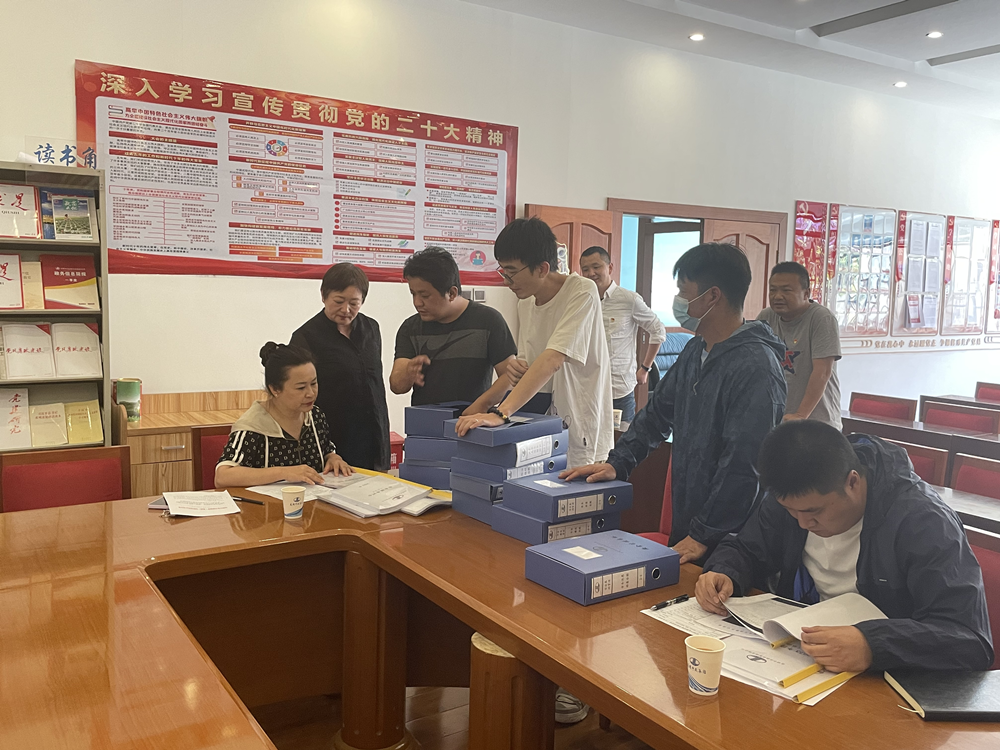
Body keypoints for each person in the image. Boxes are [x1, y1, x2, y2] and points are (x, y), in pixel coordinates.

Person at [696, 421, 993, 673]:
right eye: (791, 512)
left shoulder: (923, 522)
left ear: (852, 482)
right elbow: (747, 548)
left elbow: (969, 639)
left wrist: (872, 645)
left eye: (814, 512)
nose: (803, 523)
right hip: (804, 657)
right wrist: (725, 572)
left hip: (887, 677)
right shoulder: (792, 499)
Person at [563, 243, 786, 566]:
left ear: (712, 296)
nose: (678, 300)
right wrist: (618, 463)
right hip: (691, 523)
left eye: (683, 291)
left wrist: (704, 534)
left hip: (731, 539)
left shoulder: (757, 367)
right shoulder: (696, 350)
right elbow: (656, 416)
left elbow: (743, 464)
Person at [455, 217, 613, 468]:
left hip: (579, 420)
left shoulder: (582, 291)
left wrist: (501, 412)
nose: (506, 281)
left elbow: (553, 359)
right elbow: (527, 369)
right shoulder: (526, 303)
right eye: (503, 272)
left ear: (541, 268)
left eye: (512, 272)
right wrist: (483, 403)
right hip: (540, 421)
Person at [290, 263, 390, 471]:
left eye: (354, 303)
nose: (346, 310)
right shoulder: (306, 337)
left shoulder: (371, 328)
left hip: (375, 435)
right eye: (338, 301)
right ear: (323, 296)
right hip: (333, 439)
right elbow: (298, 394)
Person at [390, 246, 517, 408]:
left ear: (451, 293)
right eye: (413, 294)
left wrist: (480, 406)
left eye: (425, 295)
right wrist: (408, 373)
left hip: (475, 420)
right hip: (425, 420)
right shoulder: (410, 328)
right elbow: (397, 387)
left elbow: (509, 376)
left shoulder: (489, 321)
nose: (417, 302)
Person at [215, 342, 353, 488]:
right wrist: (283, 472)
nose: (311, 393)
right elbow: (222, 477)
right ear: (275, 389)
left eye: (314, 383)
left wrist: (333, 458)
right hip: (268, 502)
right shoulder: (252, 427)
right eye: (301, 388)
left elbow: (326, 449)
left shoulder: (315, 415)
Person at [579, 245, 665, 424]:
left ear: (610, 267)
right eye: (585, 269)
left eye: (596, 267)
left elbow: (658, 330)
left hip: (618, 391)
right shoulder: (581, 300)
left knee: (622, 439)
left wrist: (645, 368)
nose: (591, 273)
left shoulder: (628, 300)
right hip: (586, 389)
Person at [757, 262, 842, 429]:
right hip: (779, 421)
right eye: (773, 290)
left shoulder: (821, 318)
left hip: (817, 423)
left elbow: (822, 372)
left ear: (806, 293)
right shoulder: (766, 317)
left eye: (786, 290)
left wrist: (801, 415)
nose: (777, 296)